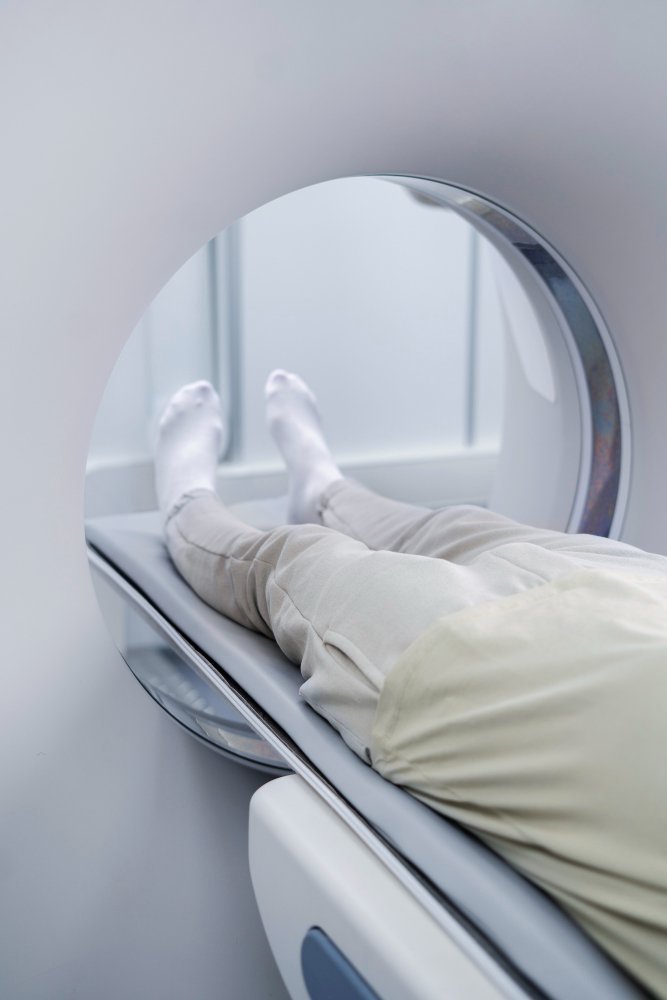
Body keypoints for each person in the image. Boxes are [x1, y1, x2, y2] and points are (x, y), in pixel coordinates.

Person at [155, 371, 667, 997]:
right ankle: (323, 483)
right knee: (445, 526)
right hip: (644, 599)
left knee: (291, 561)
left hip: (490, 676)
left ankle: (185, 503)